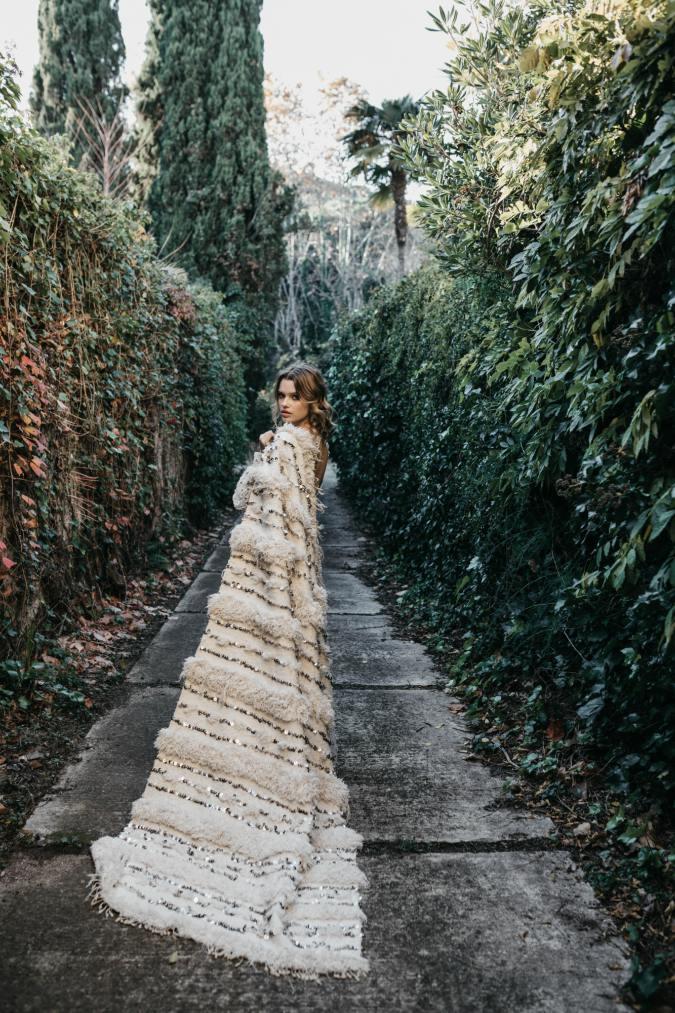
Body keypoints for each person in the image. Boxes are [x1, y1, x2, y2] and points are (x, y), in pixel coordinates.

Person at [87, 362, 369, 980]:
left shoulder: (293, 445)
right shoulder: (314, 447)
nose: (285, 404)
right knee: (281, 674)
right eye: (282, 396)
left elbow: (255, 503)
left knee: (250, 666)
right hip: (297, 573)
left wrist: (265, 454)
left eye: (296, 397)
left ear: (312, 402)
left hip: (268, 575)